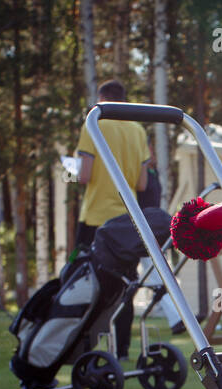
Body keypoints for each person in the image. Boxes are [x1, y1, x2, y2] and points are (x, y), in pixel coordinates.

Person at [74, 79, 158, 358]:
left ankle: (85, 345)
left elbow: (84, 175)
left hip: (96, 216)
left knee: (89, 282)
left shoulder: (94, 122)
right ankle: (122, 349)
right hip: (127, 220)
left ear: (102, 100)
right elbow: (143, 183)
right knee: (125, 284)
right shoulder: (137, 130)